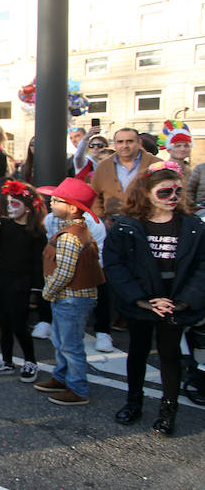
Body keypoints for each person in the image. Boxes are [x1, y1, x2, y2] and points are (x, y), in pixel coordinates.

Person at [104, 161, 205, 435]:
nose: (173, 198)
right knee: (137, 351)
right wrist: (141, 300)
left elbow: (201, 266)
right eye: (165, 193)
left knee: (170, 356)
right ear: (146, 193)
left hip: (175, 300)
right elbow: (115, 264)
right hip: (142, 300)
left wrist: (183, 302)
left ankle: (168, 412)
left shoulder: (193, 226)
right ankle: (133, 402)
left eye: (178, 192)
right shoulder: (127, 226)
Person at [33, 178, 105, 406]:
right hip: (72, 298)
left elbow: (64, 272)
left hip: (71, 299)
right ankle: (62, 376)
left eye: (56, 201)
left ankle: (77, 388)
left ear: (72, 207)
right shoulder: (77, 230)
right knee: (62, 339)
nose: (51, 204)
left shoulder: (70, 236)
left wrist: (48, 292)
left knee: (70, 344)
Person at [0, 180, 47, 383]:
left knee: (20, 324)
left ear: (28, 209)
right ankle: (6, 360)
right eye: (9, 203)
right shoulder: (4, 225)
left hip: (22, 282)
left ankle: (30, 361)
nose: (10, 207)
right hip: (2, 279)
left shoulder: (36, 233)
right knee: (3, 323)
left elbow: (38, 264)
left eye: (15, 204)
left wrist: (35, 291)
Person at [91, 127, 159, 219]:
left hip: (147, 221)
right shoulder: (103, 166)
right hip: (113, 223)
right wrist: (102, 217)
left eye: (130, 141)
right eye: (120, 142)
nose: (125, 145)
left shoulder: (156, 164)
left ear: (139, 143)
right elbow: (94, 195)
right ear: (114, 144)